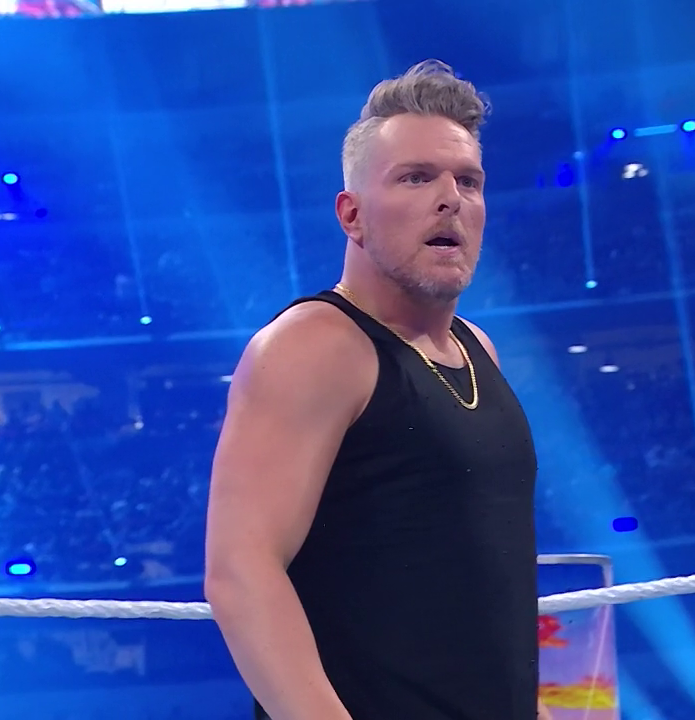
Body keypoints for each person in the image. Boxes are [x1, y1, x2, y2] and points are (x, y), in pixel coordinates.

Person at [204, 59, 541, 720]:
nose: (450, 198)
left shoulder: (478, 349)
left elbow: (483, 591)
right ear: (352, 214)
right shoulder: (315, 345)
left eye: (468, 181)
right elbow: (240, 572)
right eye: (416, 177)